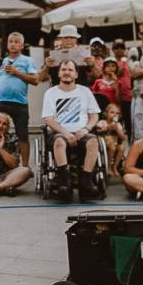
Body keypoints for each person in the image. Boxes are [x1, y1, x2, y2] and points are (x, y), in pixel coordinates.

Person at [41, 59, 103, 201]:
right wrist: (66, 133)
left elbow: (94, 115)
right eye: (63, 70)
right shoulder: (51, 93)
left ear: (76, 74)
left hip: (82, 131)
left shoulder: (85, 91)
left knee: (93, 142)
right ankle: (64, 182)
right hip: (59, 133)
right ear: (58, 74)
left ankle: (86, 182)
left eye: (70, 70)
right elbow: (49, 120)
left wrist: (86, 129)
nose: (67, 73)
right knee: (59, 143)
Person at [0, 32, 38, 167]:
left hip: (20, 103)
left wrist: (16, 72)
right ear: (7, 44)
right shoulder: (0, 61)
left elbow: (35, 80)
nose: (13, 44)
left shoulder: (27, 61)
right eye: (10, 41)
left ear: (22, 45)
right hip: (1, 102)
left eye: (16, 42)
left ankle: (25, 166)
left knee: (22, 135)